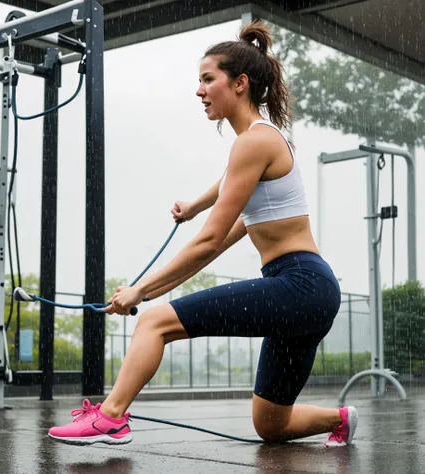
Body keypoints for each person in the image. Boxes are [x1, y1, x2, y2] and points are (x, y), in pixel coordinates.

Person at [48, 20, 358, 448]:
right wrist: (196, 207)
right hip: (310, 294)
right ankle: (340, 419)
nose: (199, 91)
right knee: (271, 424)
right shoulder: (262, 141)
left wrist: (141, 291)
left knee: (154, 322)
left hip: (299, 285)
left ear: (240, 83)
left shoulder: (252, 143)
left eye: (208, 79)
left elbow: (210, 241)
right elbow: (233, 220)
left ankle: (111, 418)